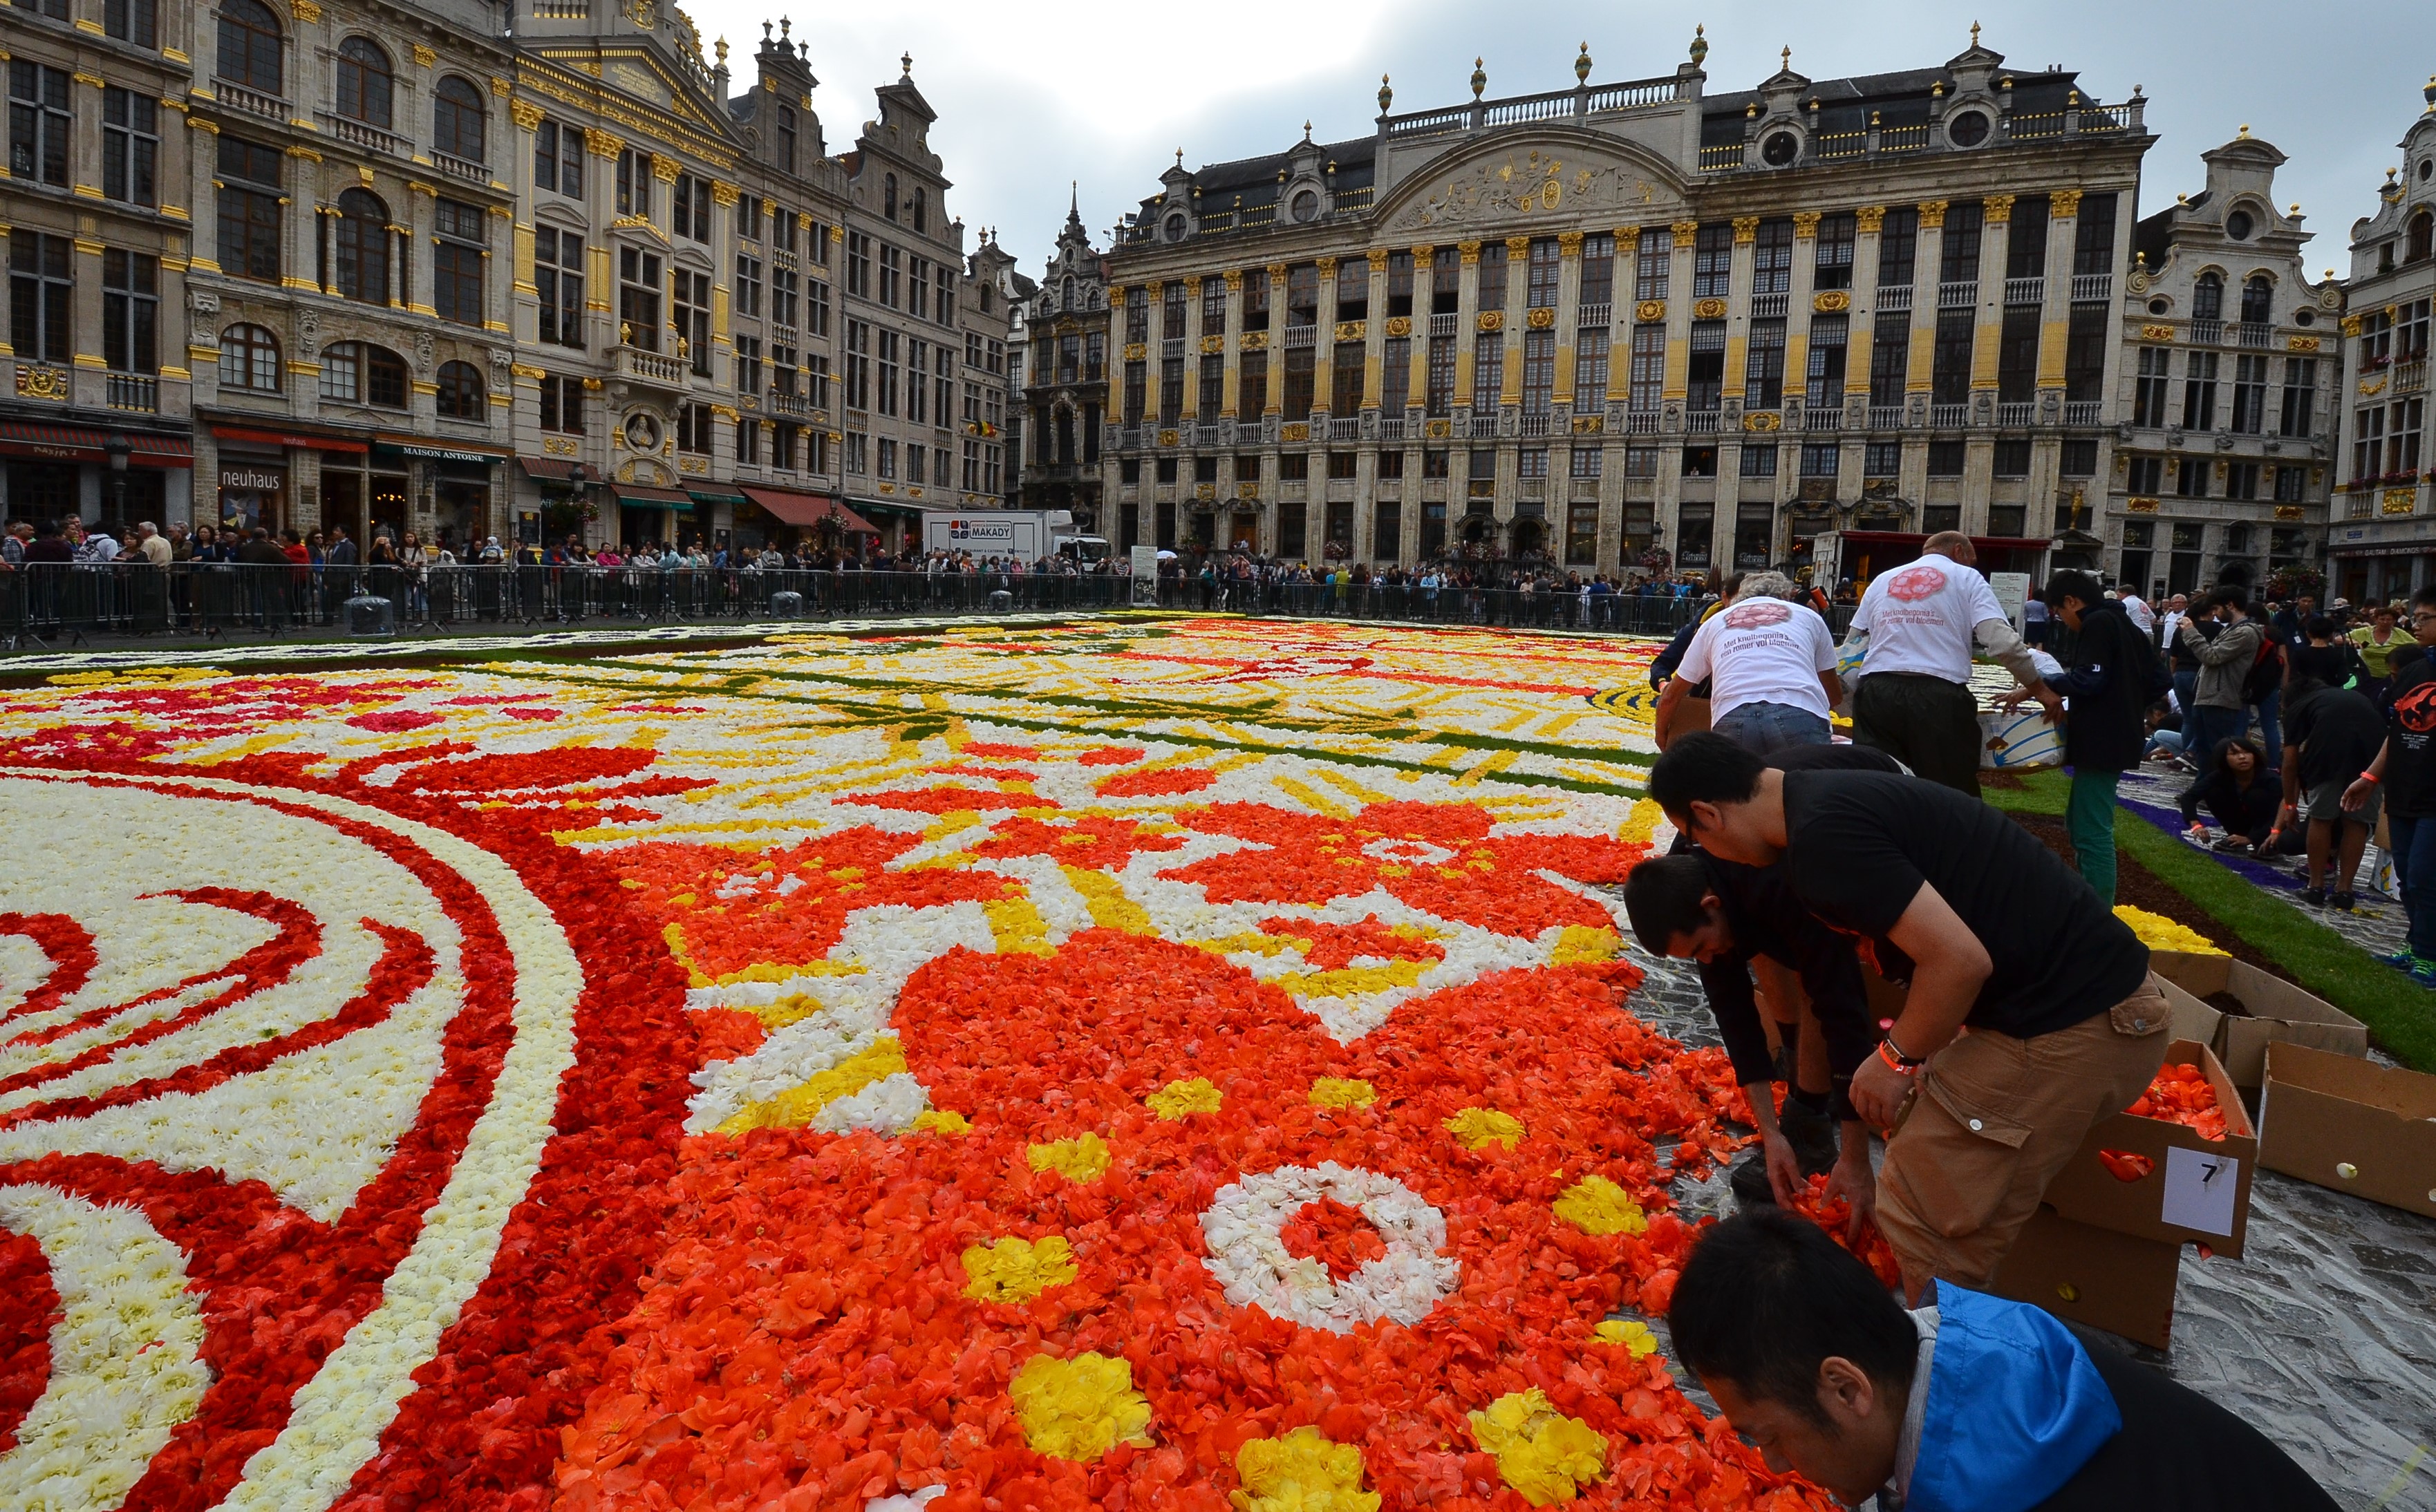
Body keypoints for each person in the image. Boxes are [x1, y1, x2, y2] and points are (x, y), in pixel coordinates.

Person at [1646, 733, 2168, 1298]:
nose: (1703, 854)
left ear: (1707, 814)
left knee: (1922, 1197)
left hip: (2079, 1020)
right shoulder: (1817, 801)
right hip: (2093, 1005)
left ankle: (1941, 1367)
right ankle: (1958, 1335)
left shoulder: (1821, 844)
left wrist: (1894, 1059)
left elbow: (1959, 962)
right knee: (1937, 1159)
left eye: (1694, 838)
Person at [1665, 1209, 2341, 1512]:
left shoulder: (2014, 1488)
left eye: (1770, 1435)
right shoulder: (1962, 1349)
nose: (1775, 1464)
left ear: (1845, 1388)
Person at [1622, 747, 1904, 1221]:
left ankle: (1812, 1121)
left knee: (1824, 982)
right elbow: (1731, 1010)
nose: (1707, 961)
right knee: (1753, 956)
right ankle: (1799, 1096)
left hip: (1887, 797)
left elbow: (1842, 1007)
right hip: (1772, 861)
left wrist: (1854, 1159)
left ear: (1711, 904)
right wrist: (1769, 1134)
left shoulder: (1789, 882)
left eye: (1700, 948)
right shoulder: (1683, 882)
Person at [1842, 532, 2049, 797]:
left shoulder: (1883, 579)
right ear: (1959, 551)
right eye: (1971, 560)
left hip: (1876, 692)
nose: (1972, 566)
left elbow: (1854, 643)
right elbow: (2002, 643)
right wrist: (2039, 689)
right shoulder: (1967, 577)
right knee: (1950, 791)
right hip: (1938, 694)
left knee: (1880, 788)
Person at [2011, 570, 2162, 907]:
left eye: (2060, 613)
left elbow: (2088, 680)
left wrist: (2040, 686)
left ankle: (2096, 910)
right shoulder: (2127, 626)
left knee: (2092, 830)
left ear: (2072, 602)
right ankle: (2088, 899)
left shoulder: (2098, 623)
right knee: (2080, 821)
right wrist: (2126, 700)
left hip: (2103, 740)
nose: (2063, 622)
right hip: (2117, 734)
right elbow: (2159, 679)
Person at [2350, 594, 2436, 983]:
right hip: (2404, 789)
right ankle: (2417, 944)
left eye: (2424, 618)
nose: (2415, 625)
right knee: (2406, 873)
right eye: (2414, 617)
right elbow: (2397, 729)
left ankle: (2430, 956)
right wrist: (2370, 776)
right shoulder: (2416, 668)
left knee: (2424, 875)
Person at [1656, 572, 1841, 753]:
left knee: (1741, 784)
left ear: (1740, 596)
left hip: (1732, 714)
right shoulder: (1809, 617)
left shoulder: (1715, 622)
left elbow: (1672, 695)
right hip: (1799, 711)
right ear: (1786, 596)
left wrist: (1662, 737)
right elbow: (1833, 694)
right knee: (1805, 782)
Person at [2278, 670, 2385, 910]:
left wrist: (2290, 805)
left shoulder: (2298, 707)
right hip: (2372, 759)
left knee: (2321, 818)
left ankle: (2315, 887)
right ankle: (2345, 891)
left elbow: (2290, 762)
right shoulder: (2353, 697)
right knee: (2357, 822)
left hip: (2327, 756)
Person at [2173, 589, 2265, 769]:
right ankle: (2201, 789)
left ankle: (2219, 790)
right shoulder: (2230, 630)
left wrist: (2191, 632)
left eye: (2216, 608)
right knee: (2202, 749)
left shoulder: (2245, 633)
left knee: (2218, 749)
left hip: (2221, 697)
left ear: (2230, 605)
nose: (2214, 614)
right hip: (2207, 695)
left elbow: (2212, 656)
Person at [2180, 736, 2281, 856]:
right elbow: (2188, 797)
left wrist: (2252, 838)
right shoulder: (2220, 775)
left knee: (2256, 796)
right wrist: (2196, 825)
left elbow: (2278, 816)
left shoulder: (2271, 779)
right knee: (2213, 792)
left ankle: (2267, 843)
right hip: (2244, 823)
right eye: (2234, 754)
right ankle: (2235, 838)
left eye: (2247, 752)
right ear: (2224, 759)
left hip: (2272, 828)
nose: (2242, 757)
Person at [2352, 603, 2405, 710]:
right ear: (2376, 619)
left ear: (2394, 621)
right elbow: (2339, 638)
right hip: (2366, 676)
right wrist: (2352, 641)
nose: (2385, 622)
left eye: (2389, 620)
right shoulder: (2365, 632)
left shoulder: (2400, 634)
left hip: (2388, 678)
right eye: (2382, 619)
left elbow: (2417, 645)